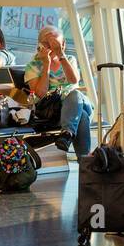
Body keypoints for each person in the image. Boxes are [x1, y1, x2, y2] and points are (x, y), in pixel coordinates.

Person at [23, 26, 92, 156]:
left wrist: (60, 55)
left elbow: (73, 80)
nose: (52, 47)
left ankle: (67, 134)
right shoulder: (32, 66)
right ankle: (83, 162)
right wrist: (46, 65)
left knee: (75, 95)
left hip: (74, 105)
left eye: (55, 44)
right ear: (39, 46)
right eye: (47, 43)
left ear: (63, 44)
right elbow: (40, 93)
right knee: (82, 116)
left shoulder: (70, 59)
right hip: (54, 111)